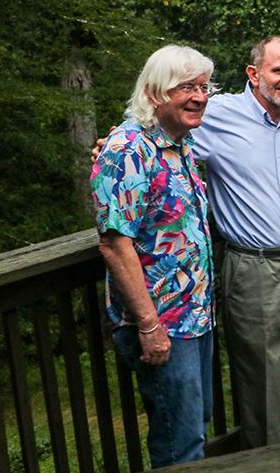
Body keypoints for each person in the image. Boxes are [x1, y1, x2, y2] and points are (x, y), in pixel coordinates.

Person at [91, 45, 216, 468]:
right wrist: (148, 325)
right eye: (186, 87)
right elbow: (113, 243)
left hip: (194, 316)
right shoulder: (127, 149)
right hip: (161, 323)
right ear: (153, 93)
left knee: (195, 426)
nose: (199, 96)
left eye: (203, 86)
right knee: (178, 443)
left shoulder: (183, 143)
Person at [192, 36, 280, 448]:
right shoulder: (218, 115)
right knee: (260, 378)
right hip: (252, 266)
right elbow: (161, 122)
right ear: (254, 74)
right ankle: (267, 462)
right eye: (278, 70)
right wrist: (115, 146)